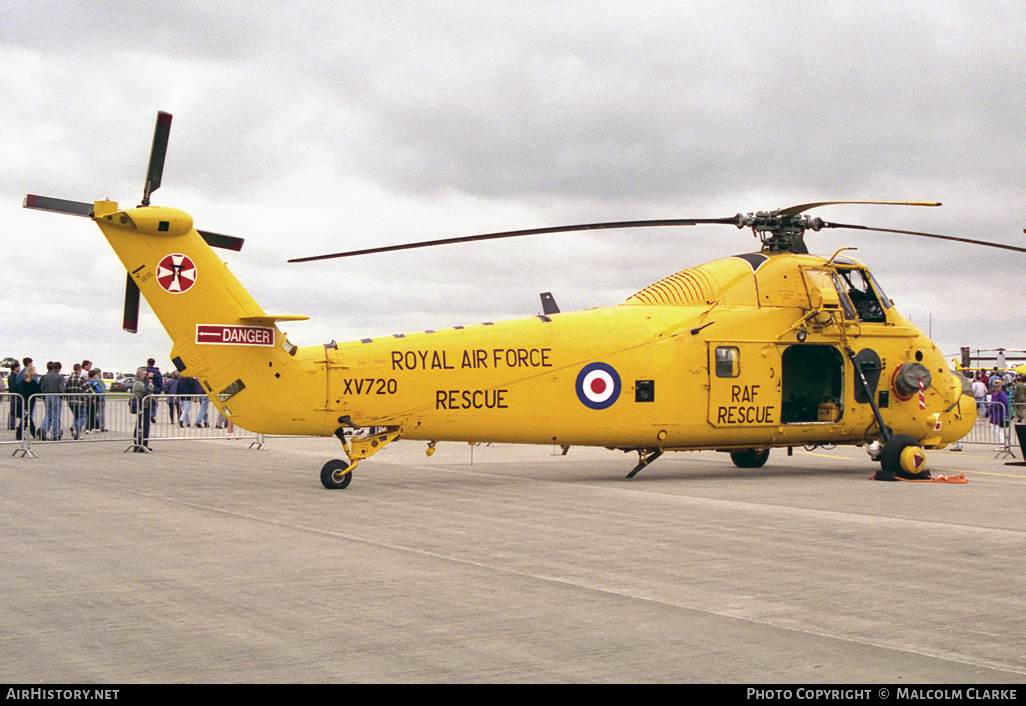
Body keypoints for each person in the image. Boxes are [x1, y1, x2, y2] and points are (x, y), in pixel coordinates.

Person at [40, 361, 65, 440]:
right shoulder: (60, 377)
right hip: (56, 396)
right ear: (59, 369)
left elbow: (42, 387)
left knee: (48, 415)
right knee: (56, 416)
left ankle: (43, 429)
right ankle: (55, 434)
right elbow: (61, 388)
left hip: (47, 396)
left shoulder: (45, 376)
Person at [65, 363, 91, 440]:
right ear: (80, 369)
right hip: (80, 401)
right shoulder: (82, 378)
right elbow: (88, 390)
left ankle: (77, 435)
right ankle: (74, 427)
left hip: (71, 401)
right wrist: (92, 397)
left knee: (76, 416)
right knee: (84, 417)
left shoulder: (69, 378)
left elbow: (66, 389)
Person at [132, 366, 155, 452]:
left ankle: (144, 444)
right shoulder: (138, 383)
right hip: (141, 406)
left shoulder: (142, 383)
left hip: (145, 406)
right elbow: (149, 390)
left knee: (145, 426)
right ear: (140, 375)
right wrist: (150, 381)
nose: (146, 376)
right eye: (145, 374)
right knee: (140, 426)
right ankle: (138, 444)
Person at [16, 365, 42, 441]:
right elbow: (38, 392)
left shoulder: (22, 383)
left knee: (26, 418)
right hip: (29, 402)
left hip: (23, 402)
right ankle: (33, 433)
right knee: (27, 418)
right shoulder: (33, 383)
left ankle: (20, 434)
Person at [990, 380, 1010, 451]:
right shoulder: (994, 394)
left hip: (1001, 413)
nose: (996, 388)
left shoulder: (1002, 394)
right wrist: (988, 412)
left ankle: (1002, 445)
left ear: (1001, 386)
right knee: (995, 429)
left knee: (998, 430)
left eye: (997, 386)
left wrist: (996, 405)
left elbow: (1005, 404)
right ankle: (1003, 443)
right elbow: (992, 403)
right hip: (994, 413)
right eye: (994, 386)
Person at [6, 361, 20, 430]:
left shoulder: (14, 376)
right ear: (15, 368)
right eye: (18, 367)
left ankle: (12, 424)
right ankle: (11, 425)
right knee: (13, 409)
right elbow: (12, 386)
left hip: (13, 394)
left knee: (14, 409)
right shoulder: (12, 376)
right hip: (13, 395)